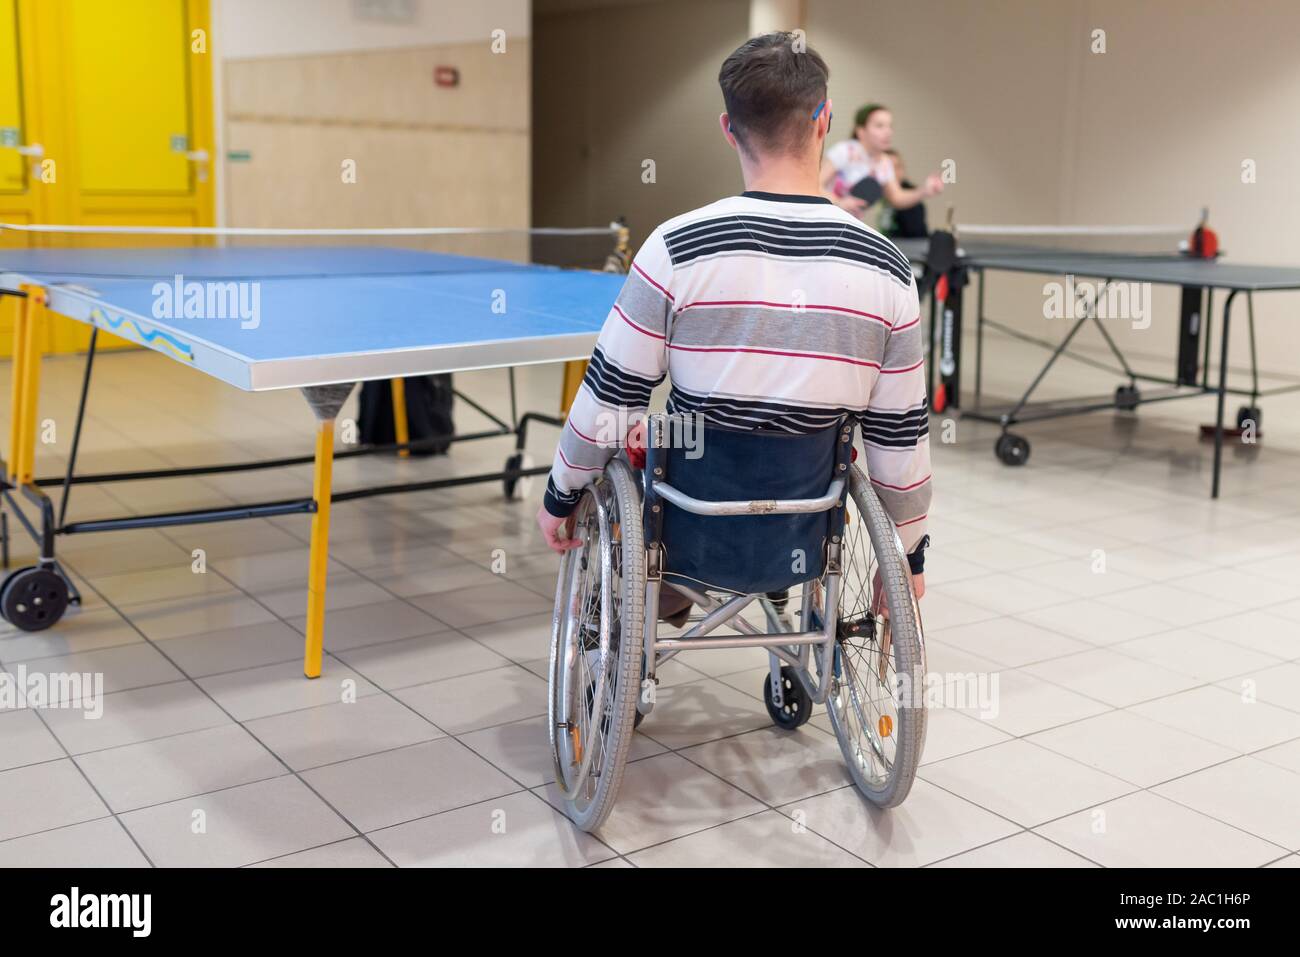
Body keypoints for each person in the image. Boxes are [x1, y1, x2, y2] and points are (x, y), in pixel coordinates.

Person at [536, 32, 931, 615]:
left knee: (640, 435)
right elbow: (899, 433)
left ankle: (661, 596)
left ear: (728, 127)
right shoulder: (887, 265)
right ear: (823, 119)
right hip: (808, 525)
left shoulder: (675, 246)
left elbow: (611, 399)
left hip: (691, 520)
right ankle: (766, 582)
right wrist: (909, 553)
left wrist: (560, 492)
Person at [821, 103, 943, 222]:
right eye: (879, 126)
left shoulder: (885, 163)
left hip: (849, 224)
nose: (888, 132)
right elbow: (814, 186)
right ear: (861, 131)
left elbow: (897, 198)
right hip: (825, 219)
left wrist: (924, 191)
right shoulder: (844, 151)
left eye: (890, 126)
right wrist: (838, 202)